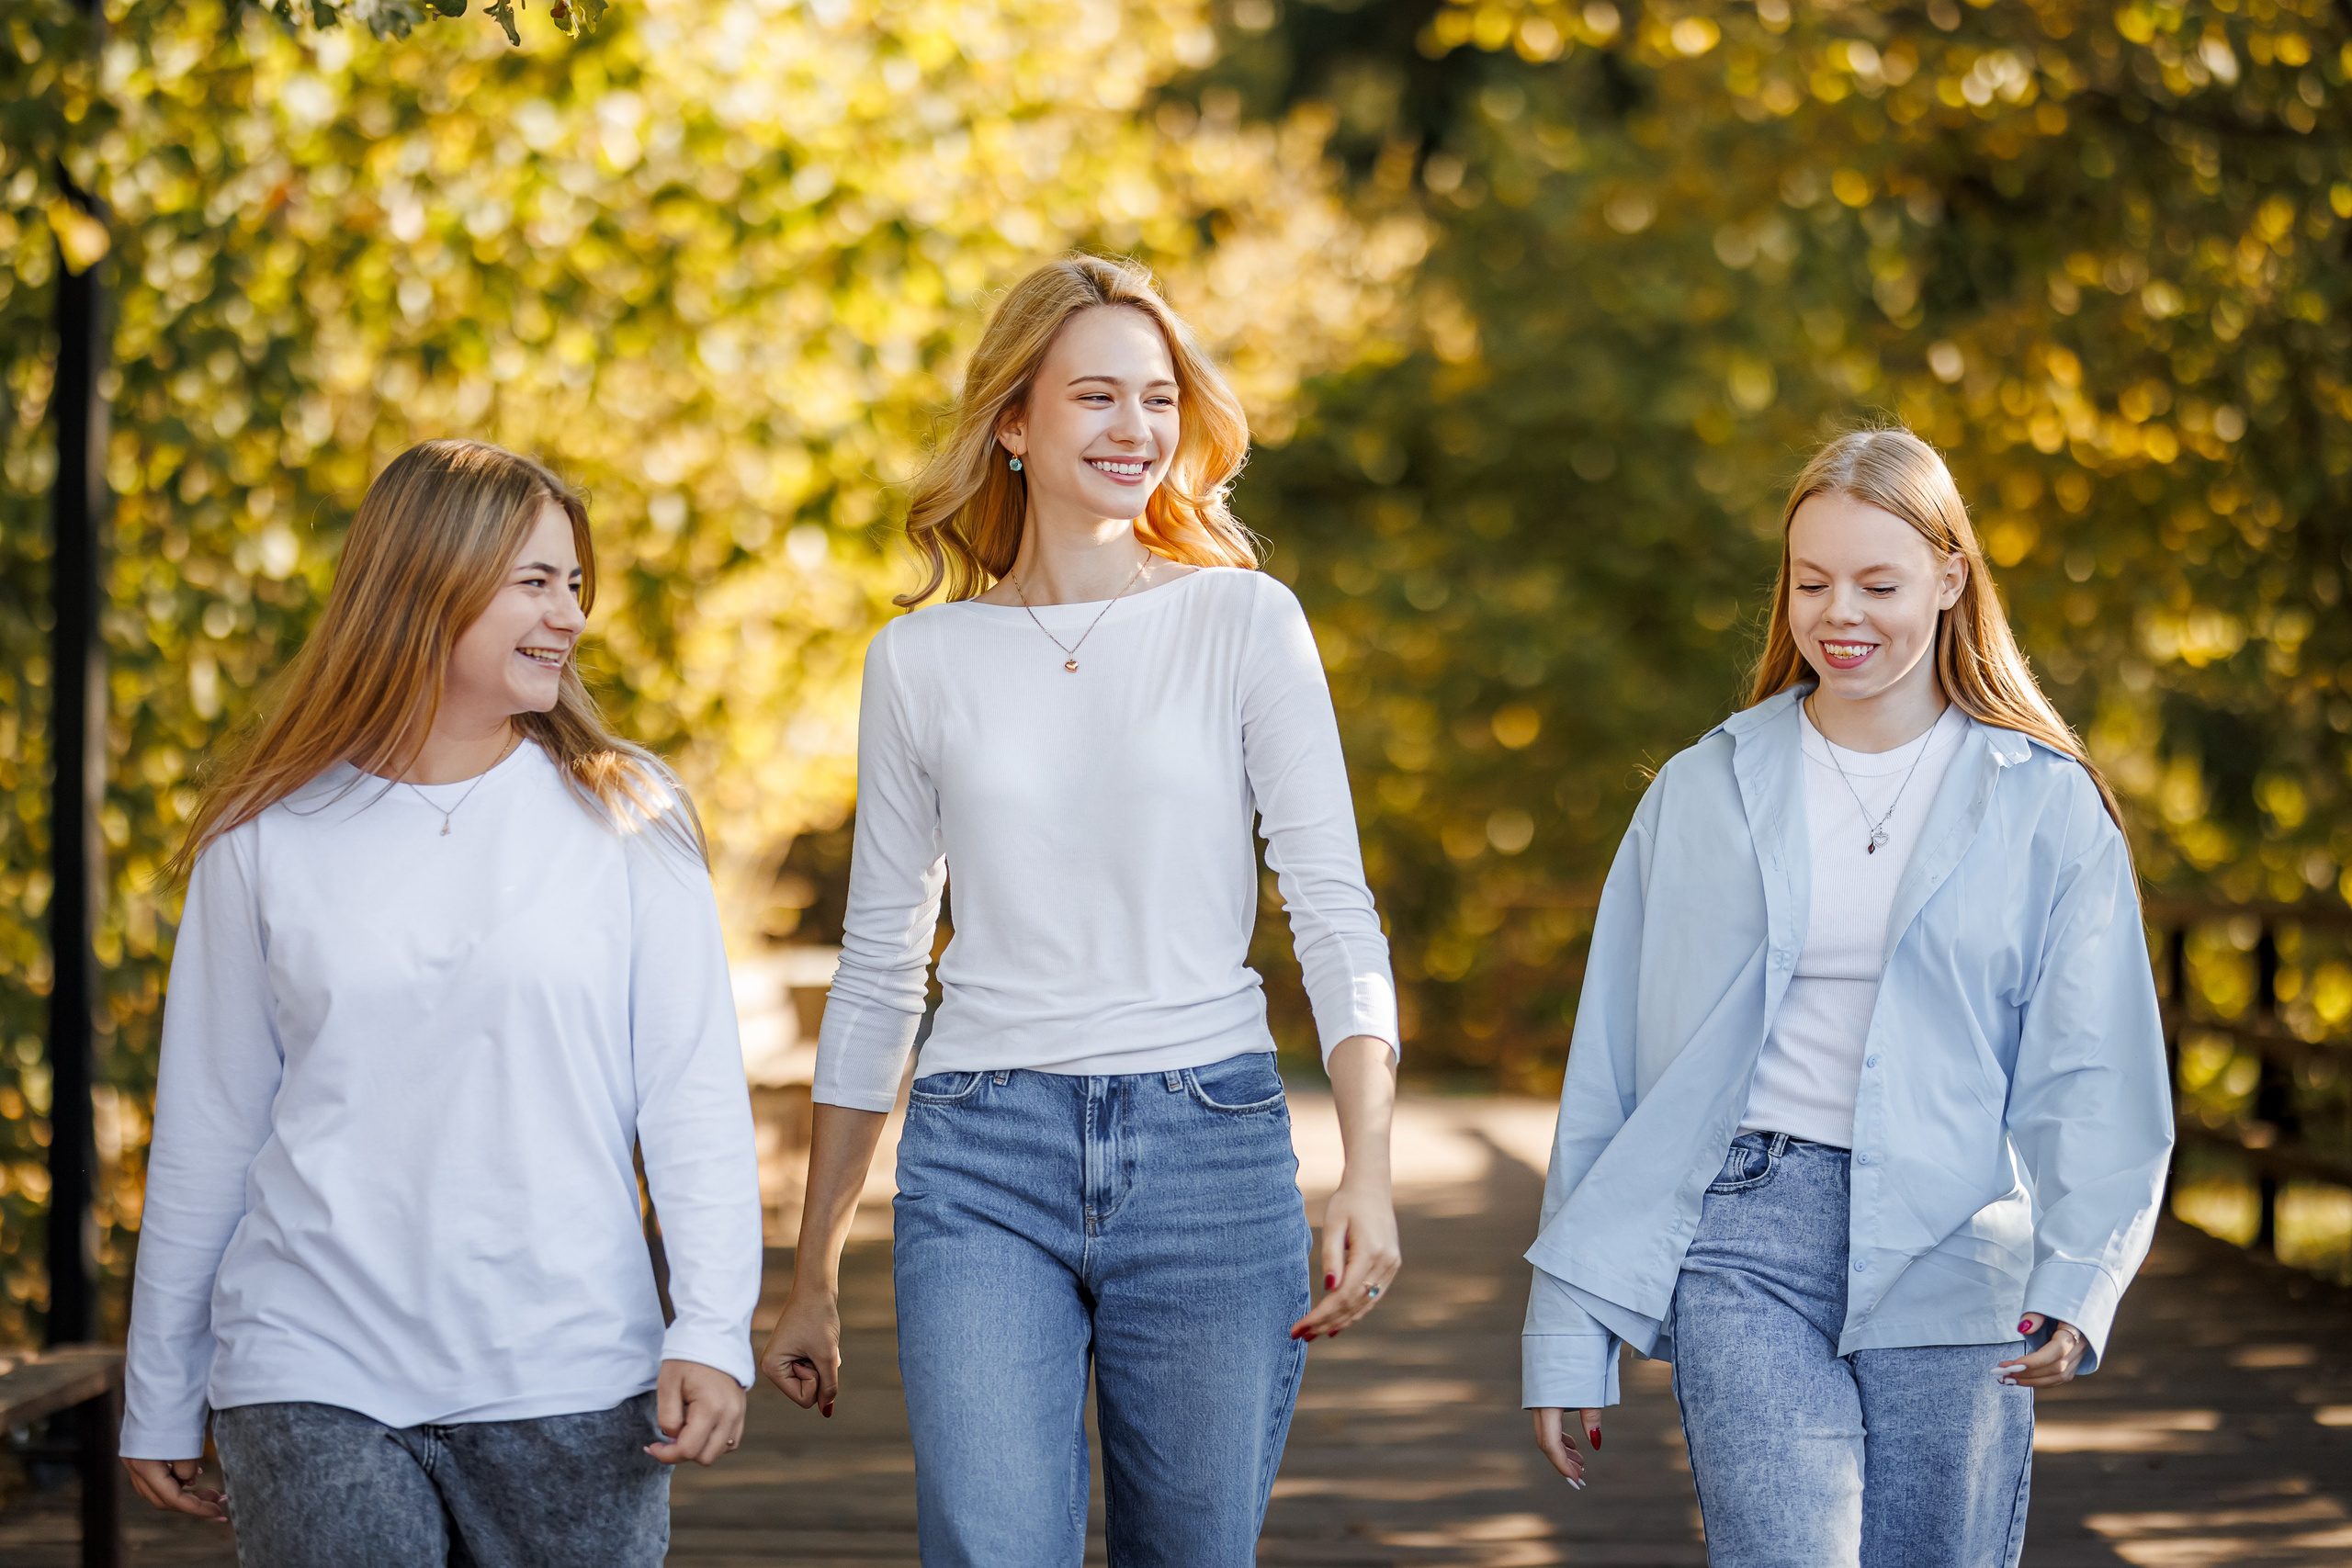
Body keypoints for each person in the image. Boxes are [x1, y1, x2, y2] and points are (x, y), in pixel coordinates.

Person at [756, 254, 1402, 1566]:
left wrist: (1370, 1168)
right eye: (1095, 396)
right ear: (1013, 421)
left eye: (1157, 397)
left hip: (1210, 1150)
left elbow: (1334, 909)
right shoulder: (921, 658)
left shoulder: (1244, 622)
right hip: (983, 1152)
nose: (1135, 429)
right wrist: (814, 1260)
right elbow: (884, 966)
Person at [1522, 427, 2173, 1565]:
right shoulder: (1700, 789)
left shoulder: (2045, 804)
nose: (1840, 614)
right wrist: (1569, 1330)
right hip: (1741, 1233)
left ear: (1950, 577)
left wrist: (2080, 1277)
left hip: (1957, 1242)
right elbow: (1611, 1075)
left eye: (1878, 583)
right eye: (1811, 582)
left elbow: (2096, 1066)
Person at [119, 439, 763, 1567]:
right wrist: (160, 1388)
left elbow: (691, 1093)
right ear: (426, 582)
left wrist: (712, 1330)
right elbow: (210, 1129)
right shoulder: (264, 834)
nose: (567, 615)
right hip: (309, 1366)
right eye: (533, 582)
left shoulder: (629, 814)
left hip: (565, 1372)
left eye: (573, 584)